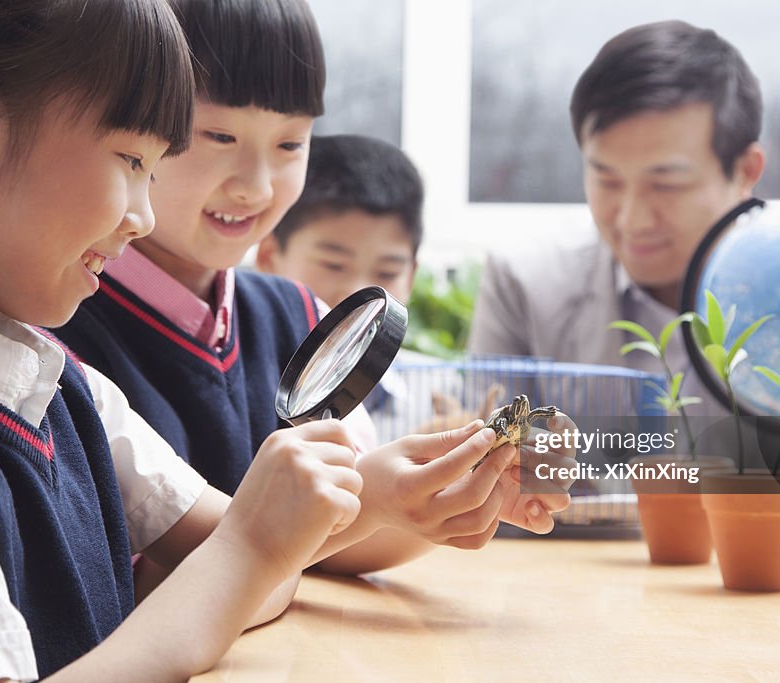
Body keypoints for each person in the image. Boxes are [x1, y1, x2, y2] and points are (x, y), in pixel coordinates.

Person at [0, 1, 371, 680]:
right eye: (129, 158)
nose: (142, 216)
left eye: (152, 170)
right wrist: (245, 551)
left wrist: (253, 548)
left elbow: (255, 563)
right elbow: (242, 559)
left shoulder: (60, 383)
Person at [53, 0, 574, 578]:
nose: (255, 186)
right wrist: (377, 502)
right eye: (220, 136)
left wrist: (459, 492)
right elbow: (136, 582)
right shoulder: (57, 323)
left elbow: (339, 540)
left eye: (290, 145)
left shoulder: (306, 320)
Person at [469, 20, 765, 417]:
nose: (632, 220)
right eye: (607, 180)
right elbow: (488, 459)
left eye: (667, 184)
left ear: (746, 171)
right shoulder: (525, 285)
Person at [257, 133, 493, 444]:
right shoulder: (250, 389)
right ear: (269, 258)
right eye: (333, 264)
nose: (359, 293)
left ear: (411, 277)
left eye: (388, 272)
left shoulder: (438, 389)